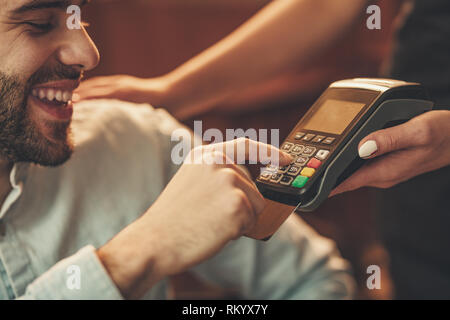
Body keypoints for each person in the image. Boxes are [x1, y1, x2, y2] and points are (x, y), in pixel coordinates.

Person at [76, 0, 450, 298]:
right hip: (414, 151)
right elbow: (328, 4)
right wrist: (172, 92)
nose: (85, 54)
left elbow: (317, 279)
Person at [0, 0, 355, 299]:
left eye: (81, 18)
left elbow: (318, 282)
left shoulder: (136, 139)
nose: (88, 54)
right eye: (40, 24)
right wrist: (135, 256)